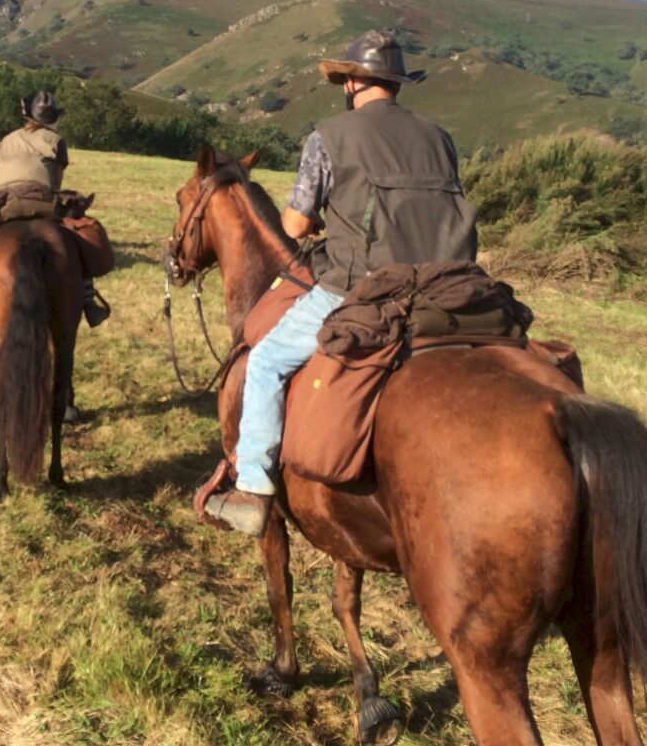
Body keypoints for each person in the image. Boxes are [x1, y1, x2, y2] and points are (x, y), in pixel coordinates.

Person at [202, 31, 478, 537]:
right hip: (447, 287)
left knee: (263, 363)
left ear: (351, 82)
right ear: (395, 84)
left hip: (360, 290)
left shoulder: (329, 135)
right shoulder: (439, 137)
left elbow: (294, 227)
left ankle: (253, 491)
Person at [0, 91, 110, 328]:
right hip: (45, 201)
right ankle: (88, 299)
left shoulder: (7, 139)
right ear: (53, 118)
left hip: (5, 201)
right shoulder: (57, 141)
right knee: (77, 236)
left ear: (26, 114)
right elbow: (55, 180)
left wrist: (5, 185)